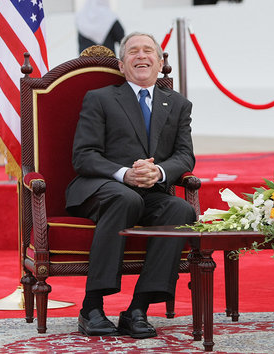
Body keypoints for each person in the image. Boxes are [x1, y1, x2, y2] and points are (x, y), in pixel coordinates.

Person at [66, 32, 196, 338]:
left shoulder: (177, 104)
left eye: (148, 51)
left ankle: (137, 309)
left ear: (160, 61)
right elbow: (83, 156)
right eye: (133, 52)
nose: (141, 56)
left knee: (180, 209)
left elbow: (184, 155)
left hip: (150, 191)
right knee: (126, 198)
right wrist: (125, 173)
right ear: (122, 65)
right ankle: (91, 308)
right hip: (101, 188)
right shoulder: (100, 99)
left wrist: (160, 172)